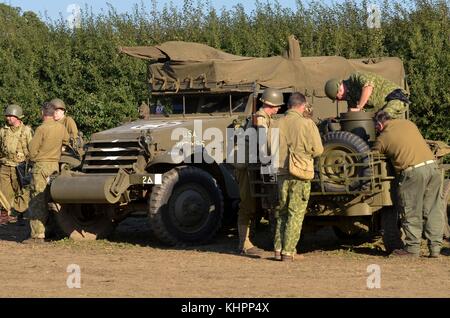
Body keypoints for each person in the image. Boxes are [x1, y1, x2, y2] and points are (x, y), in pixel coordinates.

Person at [372, 111, 443, 258]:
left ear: (379, 125)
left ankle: (412, 249)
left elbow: (373, 155)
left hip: (413, 172)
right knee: (433, 209)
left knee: (411, 209)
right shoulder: (409, 124)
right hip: (433, 167)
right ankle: (435, 248)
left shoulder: (383, 137)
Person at [275, 93, 323, 261]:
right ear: (302, 106)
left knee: (282, 211)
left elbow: (268, 148)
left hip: (280, 173)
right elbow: (318, 150)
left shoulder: (276, 123)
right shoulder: (307, 123)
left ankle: (278, 247)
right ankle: (288, 252)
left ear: (288, 106)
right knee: (295, 213)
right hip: (300, 173)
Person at [236, 88, 283, 257]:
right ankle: (244, 244)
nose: (278, 109)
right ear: (270, 104)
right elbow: (263, 142)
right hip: (246, 167)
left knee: (255, 205)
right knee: (247, 204)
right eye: (277, 106)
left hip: (253, 165)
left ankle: (248, 240)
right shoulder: (260, 118)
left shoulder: (264, 117)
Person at [24, 102, 69, 243]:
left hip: (41, 167)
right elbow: (67, 142)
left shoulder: (41, 129)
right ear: (53, 113)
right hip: (55, 166)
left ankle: (38, 235)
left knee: (37, 200)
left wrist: (35, 158)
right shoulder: (61, 128)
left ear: (43, 113)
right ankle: (54, 230)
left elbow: (31, 151)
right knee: (52, 199)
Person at [324, 72, 409, 119]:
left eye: (338, 98)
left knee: (383, 118)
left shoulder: (355, 78)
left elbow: (368, 87)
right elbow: (354, 116)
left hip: (396, 98)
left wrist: (359, 107)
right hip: (382, 109)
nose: (340, 100)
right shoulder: (350, 99)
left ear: (340, 89)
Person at [0, 104, 33, 224]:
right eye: (7, 116)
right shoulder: (3, 131)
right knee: (3, 192)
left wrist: (30, 165)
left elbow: (31, 149)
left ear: (18, 117)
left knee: (20, 190)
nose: (8, 118)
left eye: (10, 116)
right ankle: (5, 215)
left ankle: (19, 214)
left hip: (19, 166)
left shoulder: (26, 131)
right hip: (5, 165)